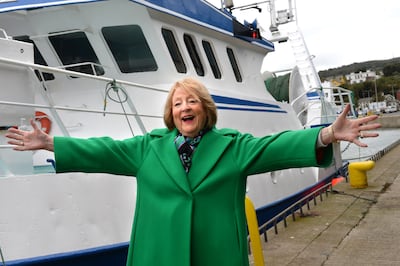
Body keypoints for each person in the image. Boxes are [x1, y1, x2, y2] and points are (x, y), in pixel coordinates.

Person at [6, 77, 380, 266]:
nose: (185, 107)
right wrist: (49, 143)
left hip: (215, 255)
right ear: (172, 114)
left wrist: (328, 133)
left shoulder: (233, 147)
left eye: (192, 101)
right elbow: (103, 150)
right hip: (158, 256)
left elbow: (277, 147)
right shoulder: (146, 148)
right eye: (178, 103)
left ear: (204, 109)